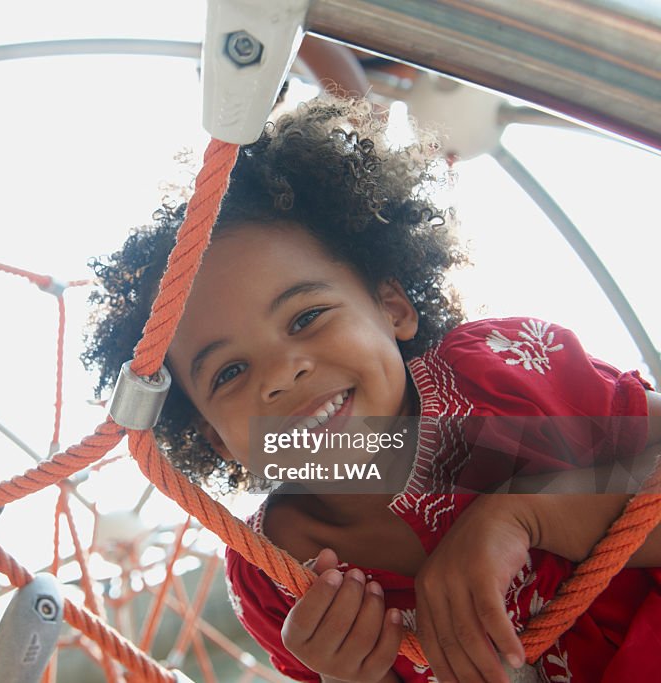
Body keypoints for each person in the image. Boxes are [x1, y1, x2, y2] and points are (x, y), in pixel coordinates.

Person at [82, 97, 661, 682]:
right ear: (218, 438)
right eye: (229, 373)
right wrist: (349, 677)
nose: (282, 374)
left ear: (393, 307)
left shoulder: (499, 376)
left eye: (306, 317)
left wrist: (522, 517)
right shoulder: (275, 578)